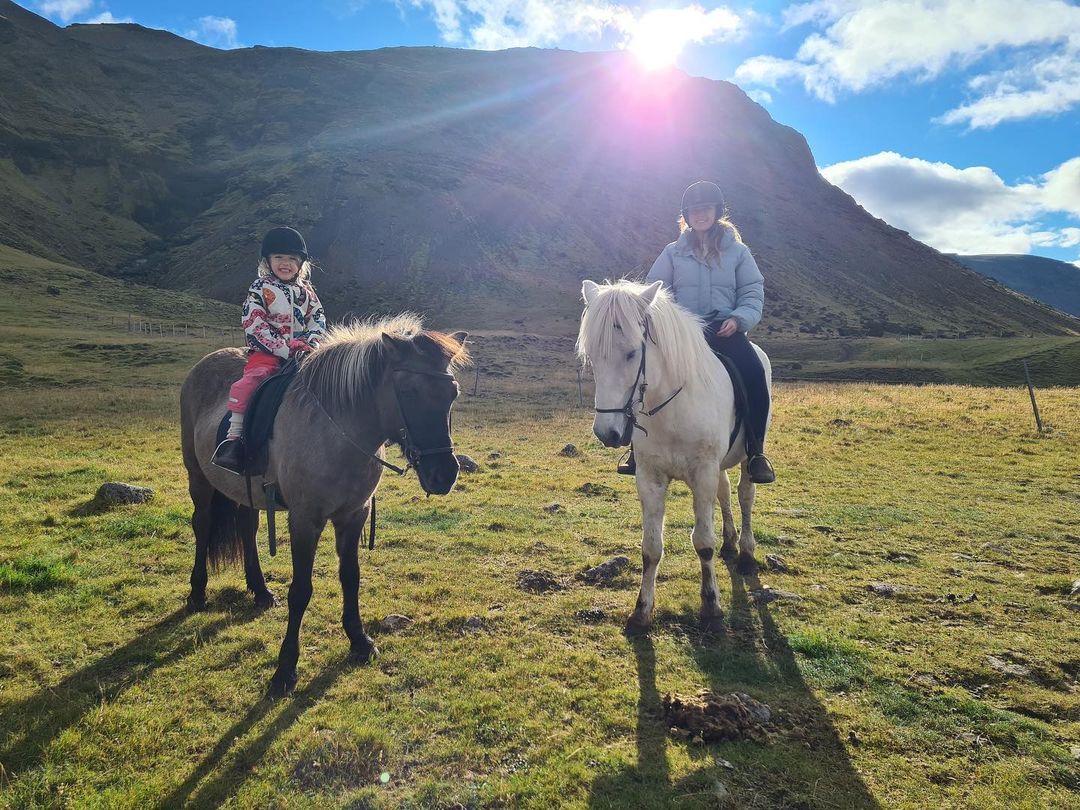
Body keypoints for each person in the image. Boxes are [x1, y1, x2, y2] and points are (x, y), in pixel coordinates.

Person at [618, 180, 775, 484]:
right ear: (686, 215)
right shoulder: (672, 253)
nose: (700, 214)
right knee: (644, 375)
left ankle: (756, 452)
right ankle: (639, 450)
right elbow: (657, 291)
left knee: (754, 374)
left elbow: (752, 290)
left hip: (724, 330)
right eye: (694, 210)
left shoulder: (738, 253)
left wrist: (740, 319)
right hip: (682, 333)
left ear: (717, 212)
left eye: (706, 209)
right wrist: (671, 323)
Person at [211, 226, 326, 474]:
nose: (286, 264)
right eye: (279, 258)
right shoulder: (260, 288)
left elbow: (318, 320)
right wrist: (284, 349)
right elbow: (255, 323)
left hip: (306, 354)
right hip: (268, 353)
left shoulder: (308, 293)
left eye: (292, 259)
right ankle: (234, 441)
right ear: (268, 261)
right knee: (249, 384)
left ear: (301, 264)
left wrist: (311, 343)